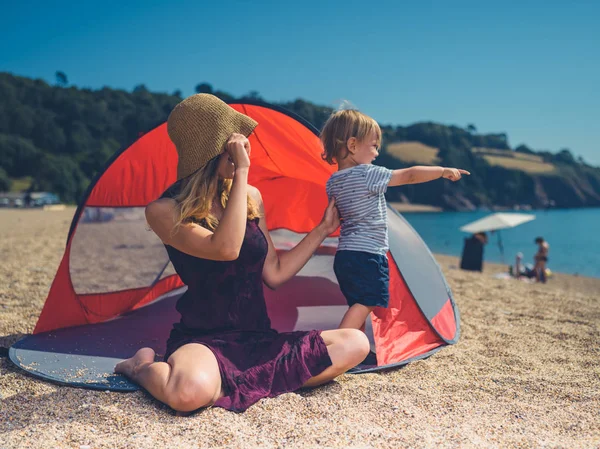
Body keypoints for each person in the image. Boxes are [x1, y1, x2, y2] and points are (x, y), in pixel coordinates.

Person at [114, 94, 370, 413]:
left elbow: (274, 273)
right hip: (204, 339)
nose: (242, 149)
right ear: (211, 148)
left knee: (355, 343)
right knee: (187, 394)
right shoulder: (164, 210)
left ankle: (239, 380)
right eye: (233, 143)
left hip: (256, 338)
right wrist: (243, 172)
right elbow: (225, 248)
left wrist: (322, 228)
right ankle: (139, 367)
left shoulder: (250, 197)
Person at [320, 109, 470, 331]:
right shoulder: (368, 173)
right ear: (352, 145)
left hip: (345, 254)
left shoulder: (332, 182)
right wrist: (441, 171)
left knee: (357, 303)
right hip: (367, 254)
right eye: (373, 146)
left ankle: (353, 349)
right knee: (368, 301)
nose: (377, 154)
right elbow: (409, 175)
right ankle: (338, 344)